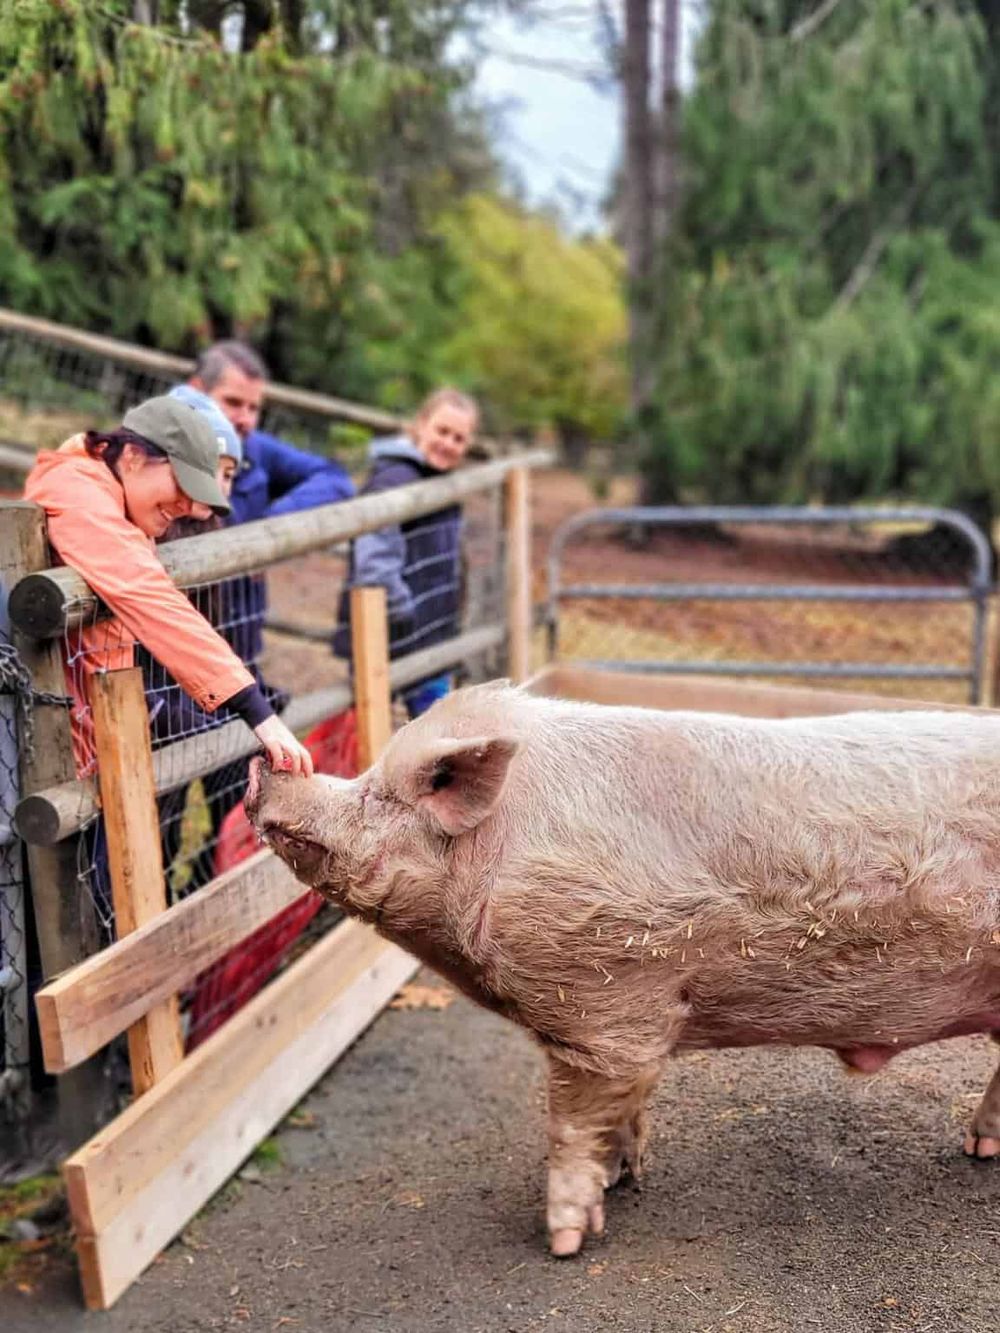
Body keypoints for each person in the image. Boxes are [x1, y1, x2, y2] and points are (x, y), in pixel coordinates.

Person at [22, 394, 313, 782]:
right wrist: (255, 709)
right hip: (34, 740)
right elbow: (148, 593)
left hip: (75, 744)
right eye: (183, 482)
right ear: (134, 457)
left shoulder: (117, 499)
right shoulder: (79, 495)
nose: (192, 507)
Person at [333, 387, 479, 717]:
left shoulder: (442, 483)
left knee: (434, 732)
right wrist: (404, 614)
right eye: (442, 431)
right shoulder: (393, 482)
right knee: (383, 727)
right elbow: (374, 564)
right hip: (393, 632)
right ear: (421, 425)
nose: (448, 444)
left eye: (459, 438)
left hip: (430, 636)